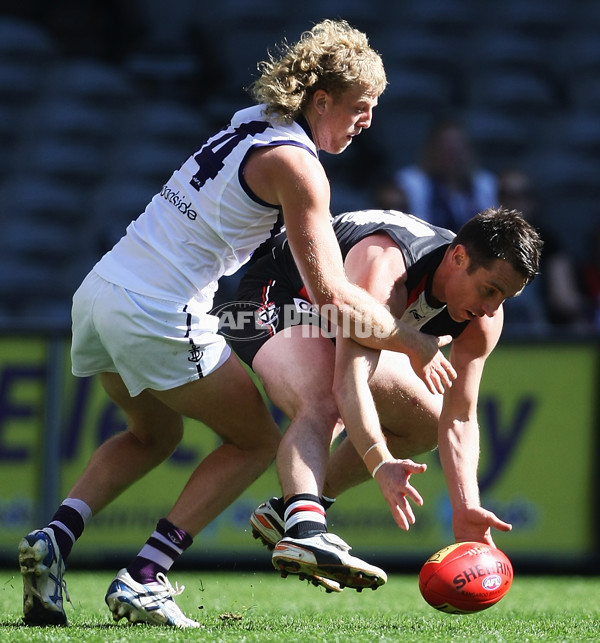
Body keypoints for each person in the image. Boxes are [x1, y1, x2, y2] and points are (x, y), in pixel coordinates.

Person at [18, 20, 454, 628]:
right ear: (319, 100)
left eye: (375, 108)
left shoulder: (252, 119)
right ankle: (146, 576)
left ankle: (55, 539)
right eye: (359, 106)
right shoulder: (300, 168)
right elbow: (333, 295)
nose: (367, 122)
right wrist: (408, 339)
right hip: (156, 311)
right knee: (254, 443)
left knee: (151, 436)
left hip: (98, 295)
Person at [216, 207, 542, 591]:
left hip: (339, 317)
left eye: (504, 298)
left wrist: (466, 505)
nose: (491, 308)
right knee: (322, 396)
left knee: (426, 421)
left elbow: (459, 417)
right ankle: (305, 528)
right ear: (458, 257)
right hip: (274, 297)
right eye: (489, 290)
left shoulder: (483, 318)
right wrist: (379, 461)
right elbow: (349, 383)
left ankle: (293, 508)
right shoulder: (386, 268)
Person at [497, 169, 587, 332]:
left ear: (532, 200)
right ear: (498, 200)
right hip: (495, 328)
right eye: (509, 195)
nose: (517, 202)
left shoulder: (549, 243)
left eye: (524, 194)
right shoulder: (485, 242)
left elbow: (564, 299)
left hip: (540, 333)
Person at [395, 117, 498, 231]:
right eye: (446, 146)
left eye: (457, 146)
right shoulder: (411, 182)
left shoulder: (485, 183)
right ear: (432, 148)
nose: (452, 154)